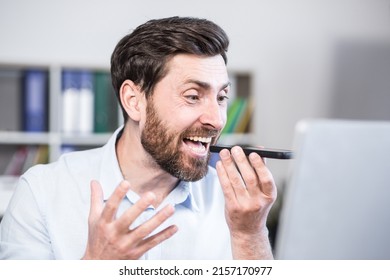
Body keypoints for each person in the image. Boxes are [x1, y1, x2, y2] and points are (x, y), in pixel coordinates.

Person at [0, 16, 277, 260]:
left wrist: (249, 235)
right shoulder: (41, 192)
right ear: (134, 101)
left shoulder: (239, 207)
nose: (216, 119)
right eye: (193, 96)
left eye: (221, 97)